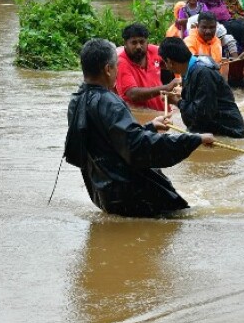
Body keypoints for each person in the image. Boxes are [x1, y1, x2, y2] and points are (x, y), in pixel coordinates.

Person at [64, 38, 215, 218]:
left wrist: (150, 127)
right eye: (116, 66)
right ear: (108, 69)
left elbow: (110, 142)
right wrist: (194, 139)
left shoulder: (76, 101)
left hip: (104, 194)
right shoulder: (110, 102)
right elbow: (138, 147)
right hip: (134, 195)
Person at [158, 37, 244, 139]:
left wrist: (176, 101)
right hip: (213, 133)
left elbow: (202, 114)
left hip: (229, 135)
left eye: (165, 62)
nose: (166, 67)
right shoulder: (189, 70)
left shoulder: (203, 73)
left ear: (169, 61)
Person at [115, 23, 180, 111]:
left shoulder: (153, 50)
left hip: (162, 112)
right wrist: (167, 87)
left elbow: (174, 62)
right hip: (139, 116)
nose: (138, 46)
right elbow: (132, 94)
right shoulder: (121, 63)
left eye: (142, 42)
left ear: (147, 42)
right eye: (134, 43)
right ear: (125, 43)